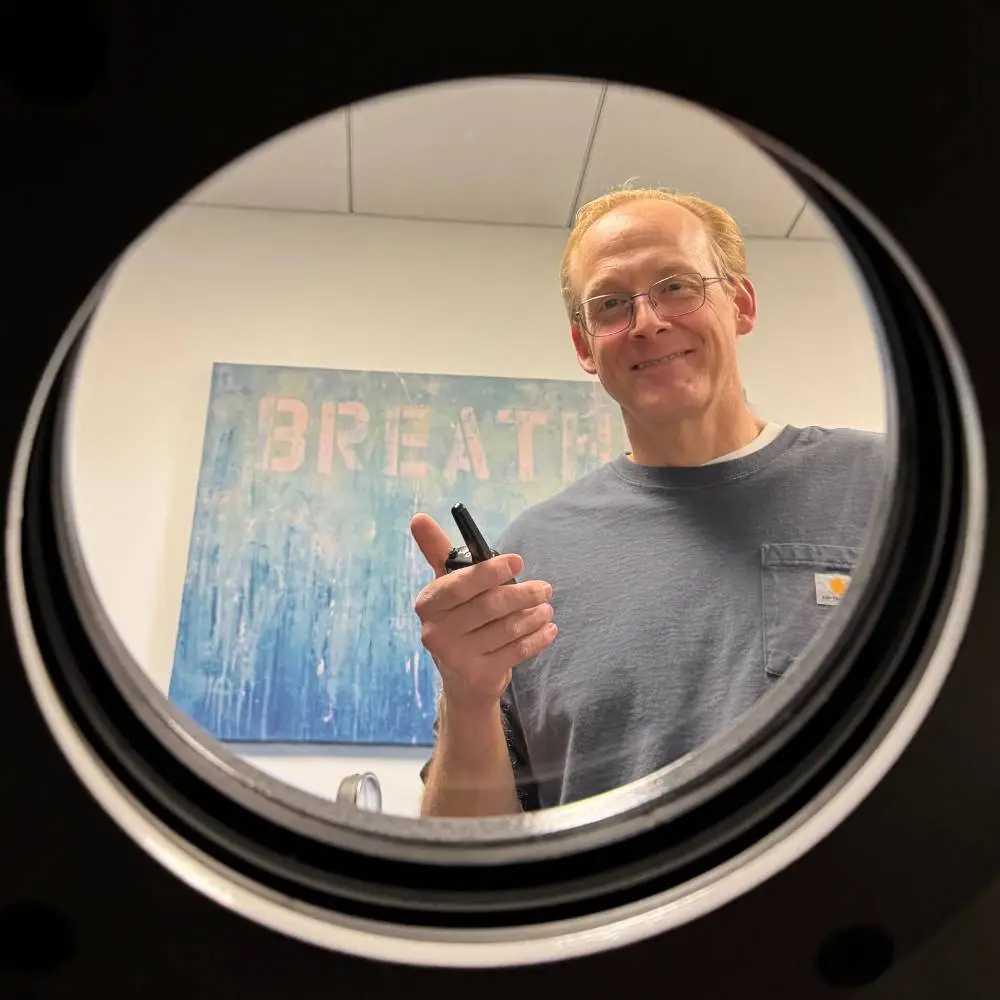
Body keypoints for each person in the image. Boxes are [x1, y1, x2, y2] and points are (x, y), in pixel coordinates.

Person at [411, 185, 886, 817]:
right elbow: (470, 846)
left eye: (677, 286)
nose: (647, 322)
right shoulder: (528, 562)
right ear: (585, 346)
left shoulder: (890, 486)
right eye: (611, 303)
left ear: (740, 305)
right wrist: (468, 696)